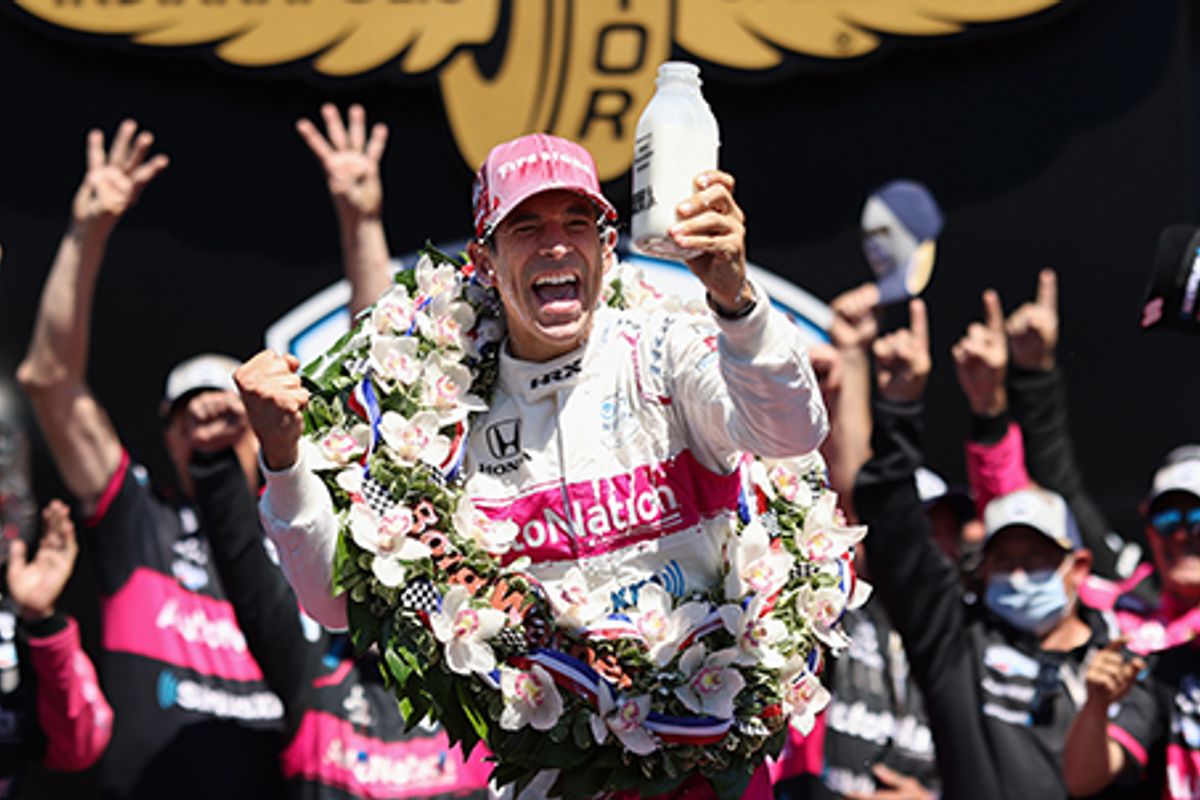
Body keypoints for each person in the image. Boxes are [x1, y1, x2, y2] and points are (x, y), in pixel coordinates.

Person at [235, 132, 828, 798]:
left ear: (607, 249)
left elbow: (790, 432)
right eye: (525, 225)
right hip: (551, 777)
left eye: (578, 221)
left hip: (706, 772)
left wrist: (738, 304)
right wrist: (285, 462)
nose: (554, 244)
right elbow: (334, 603)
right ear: (484, 260)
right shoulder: (441, 412)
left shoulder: (665, 348)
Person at [17, 120, 286, 799]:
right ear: (166, 438)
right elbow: (51, 380)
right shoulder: (138, 517)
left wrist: (359, 214)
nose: (208, 419)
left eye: (227, 408)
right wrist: (88, 230)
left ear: (262, 426)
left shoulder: (302, 530)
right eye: (187, 411)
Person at [854, 298, 1136, 800]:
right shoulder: (957, 645)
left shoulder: (1124, 658)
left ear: (1079, 567)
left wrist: (1097, 702)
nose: (1021, 575)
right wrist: (898, 409)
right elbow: (895, 534)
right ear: (981, 574)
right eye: (1004, 561)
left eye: (1037, 559)